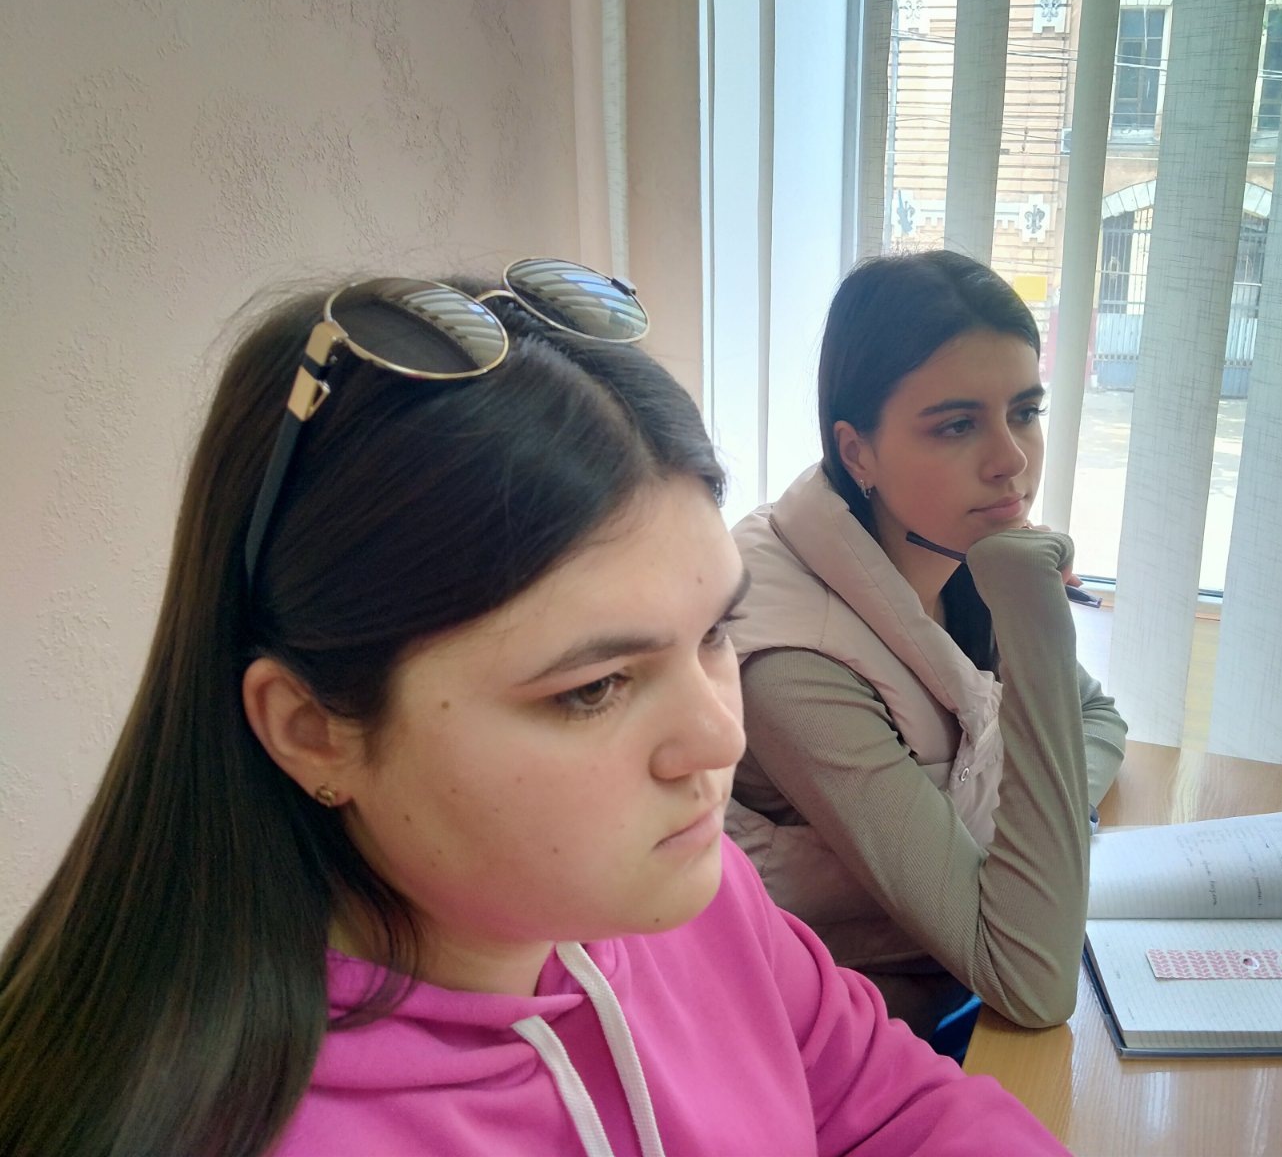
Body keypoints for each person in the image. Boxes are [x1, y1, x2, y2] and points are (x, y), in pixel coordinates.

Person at [0, 263, 1068, 1156]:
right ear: (313, 730)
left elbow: (893, 1105)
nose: (718, 737)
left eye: (714, 634)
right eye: (594, 688)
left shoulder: (699, 901)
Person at [727, 249, 1127, 1042]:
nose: (1012, 460)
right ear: (857, 452)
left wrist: (1029, 826)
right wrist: (1039, 618)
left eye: (1025, 411)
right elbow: (1032, 981)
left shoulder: (953, 545)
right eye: (957, 425)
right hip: (825, 1048)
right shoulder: (794, 661)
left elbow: (1100, 717)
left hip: (946, 1002)